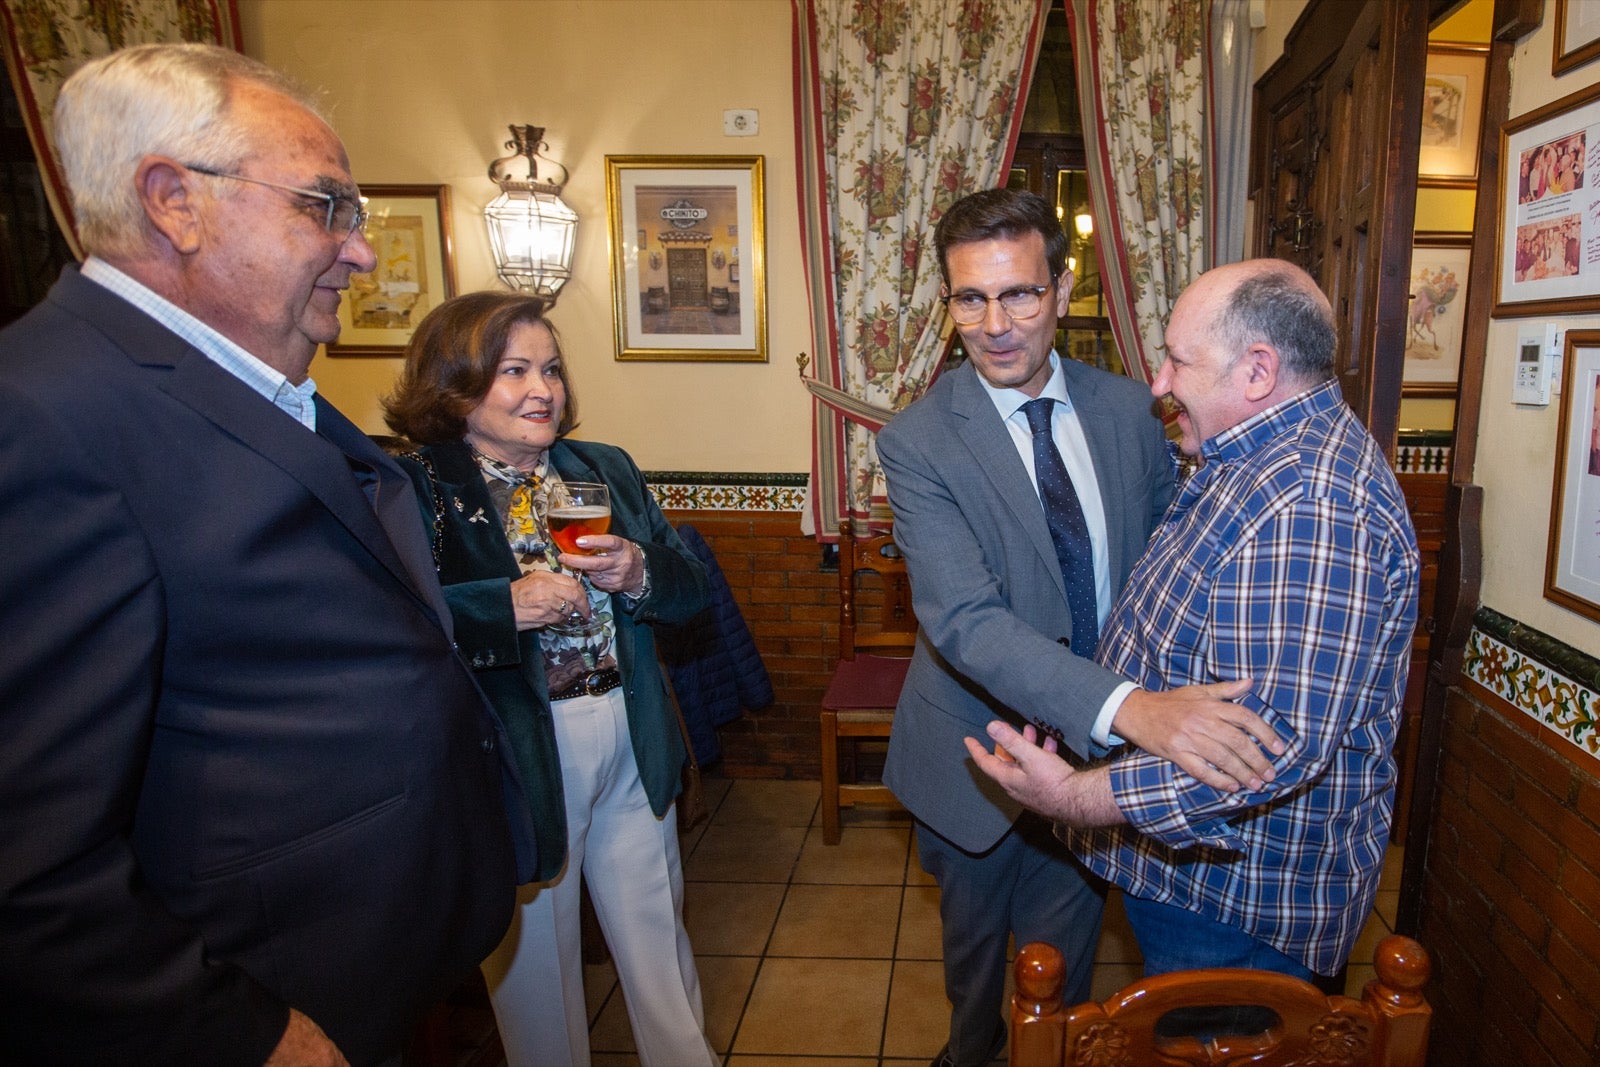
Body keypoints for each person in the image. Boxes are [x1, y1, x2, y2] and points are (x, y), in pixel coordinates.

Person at [0, 44, 532, 1067]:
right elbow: (27, 860)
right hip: (267, 1002)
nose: (363, 251)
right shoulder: (42, 417)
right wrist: (242, 1031)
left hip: (366, 961)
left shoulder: (238, 381)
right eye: (325, 207)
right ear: (174, 202)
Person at [876, 188, 1283, 1067]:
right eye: (969, 299)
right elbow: (968, 622)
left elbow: (1178, 557)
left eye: (1018, 293)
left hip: (1098, 773)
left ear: (1061, 290)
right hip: (972, 764)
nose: (994, 323)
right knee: (977, 992)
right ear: (947, 305)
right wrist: (1137, 708)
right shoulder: (917, 440)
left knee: (1065, 987)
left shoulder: (1133, 410)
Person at [970, 258, 1420, 989]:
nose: (1160, 382)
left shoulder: (1311, 505)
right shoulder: (1251, 452)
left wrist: (1077, 796)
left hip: (1238, 914)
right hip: (1200, 887)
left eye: (1178, 359)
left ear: (1258, 371)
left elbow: (1265, 749)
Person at [382, 291, 718, 1067]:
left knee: (660, 953)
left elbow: (691, 585)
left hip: (631, 738)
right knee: (537, 982)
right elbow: (387, 622)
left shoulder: (603, 467)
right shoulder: (420, 488)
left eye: (553, 369)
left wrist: (637, 568)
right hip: (516, 757)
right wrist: (501, 606)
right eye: (515, 370)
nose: (545, 389)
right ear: (455, 385)